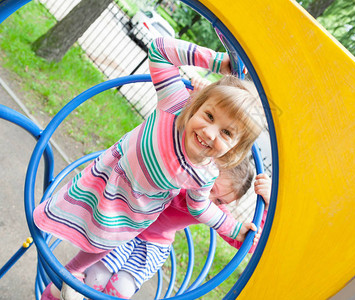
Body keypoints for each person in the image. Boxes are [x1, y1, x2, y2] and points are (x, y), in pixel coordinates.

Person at [35, 36, 264, 299]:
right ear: (196, 105)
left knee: (107, 240)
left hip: (137, 210)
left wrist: (235, 230)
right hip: (112, 175)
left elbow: (199, 206)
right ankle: (61, 279)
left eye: (226, 133)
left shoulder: (205, 173)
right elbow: (159, 49)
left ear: (234, 149)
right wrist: (215, 61)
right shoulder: (174, 104)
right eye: (209, 116)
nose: (210, 133)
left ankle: (71, 274)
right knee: (72, 216)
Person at [83, 158, 271, 298]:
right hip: (127, 229)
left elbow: (250, 244)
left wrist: (267, 206)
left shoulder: (215, 212)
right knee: (95, 278)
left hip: (153, 248)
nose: (210, 201)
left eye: (220, 201)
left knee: (120, 291)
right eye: (211, 189)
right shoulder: (178, 177)